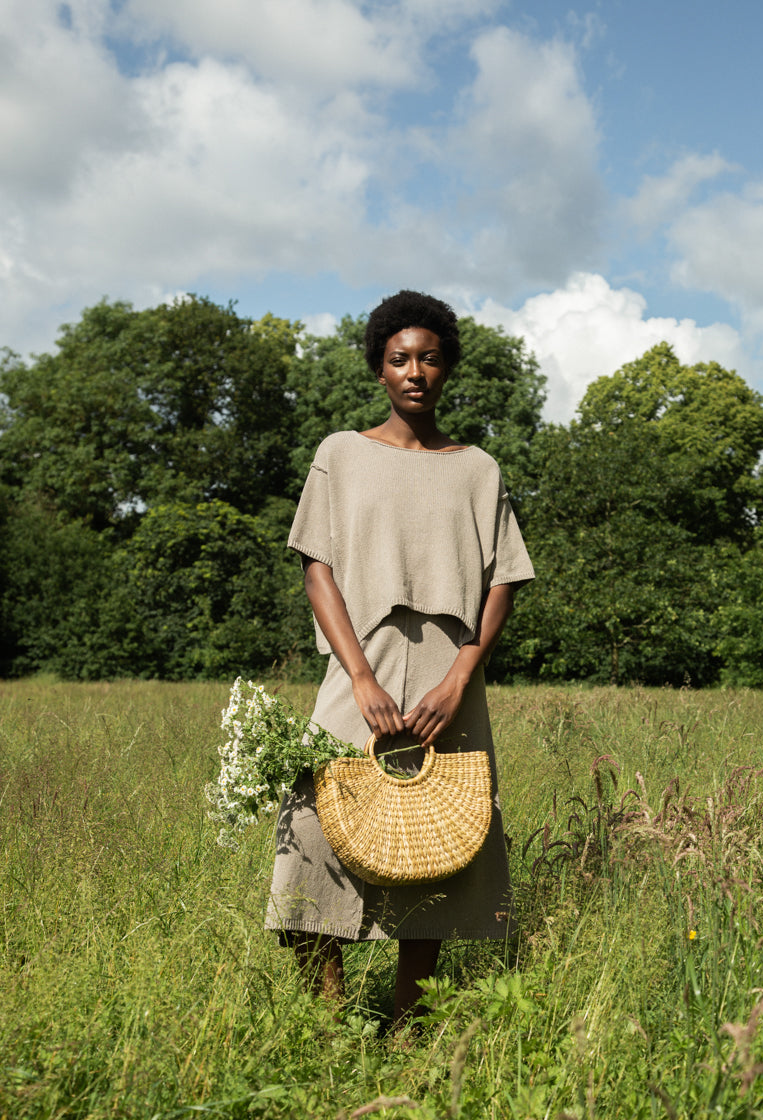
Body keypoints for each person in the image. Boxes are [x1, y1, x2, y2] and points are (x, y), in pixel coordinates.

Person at [265, 290, 534, 1024]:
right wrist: (359, 676)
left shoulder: (478, 468)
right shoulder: (340, 454)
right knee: (315, 829)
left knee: (439, 840)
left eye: (430, 358)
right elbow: (316, 566)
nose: (416, 371)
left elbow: (504, 578)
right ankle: (328, 1019)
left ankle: (409, 1025)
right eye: (400, 358)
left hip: (451, 674)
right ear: (379, 370)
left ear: (448, 371)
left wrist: (459, 677)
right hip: (361, 663)